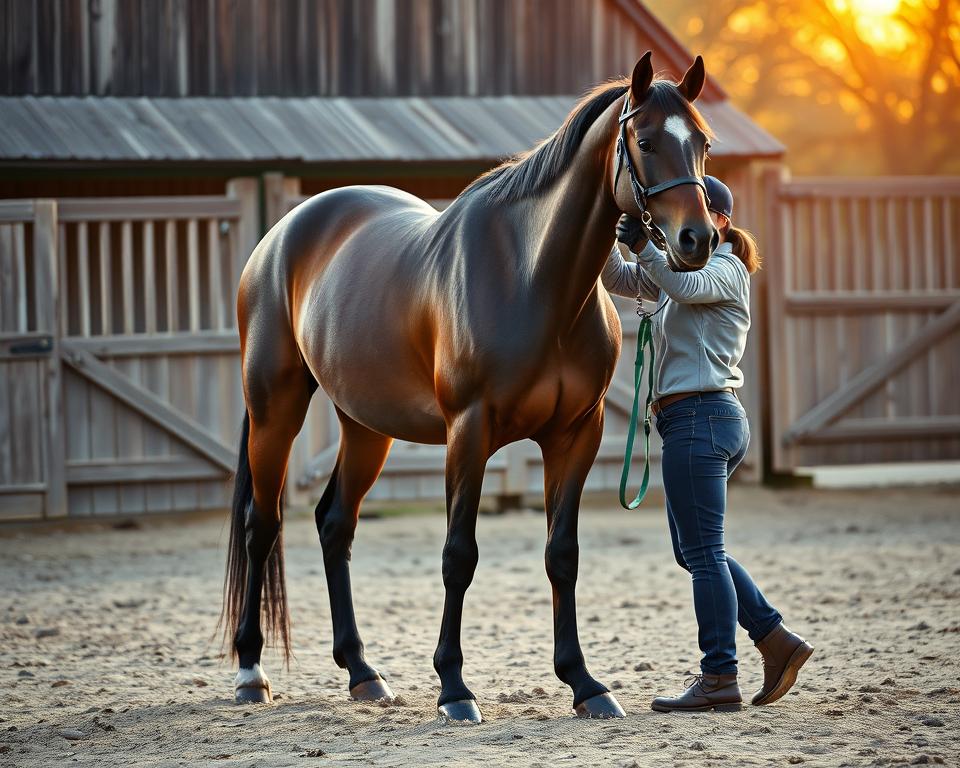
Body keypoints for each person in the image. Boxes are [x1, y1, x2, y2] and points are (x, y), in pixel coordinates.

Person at [602, 176, 813, 713]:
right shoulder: (676, 268)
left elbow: (684, 288)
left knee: (703, 553)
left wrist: (647, 250)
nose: (674, 224)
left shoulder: (726, 268)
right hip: (694, 421)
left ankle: (720, 675)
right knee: (695, 551)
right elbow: (621, 279)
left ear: (718, 220)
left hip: (703, 417)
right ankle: (776, 640)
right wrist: (606, 228)